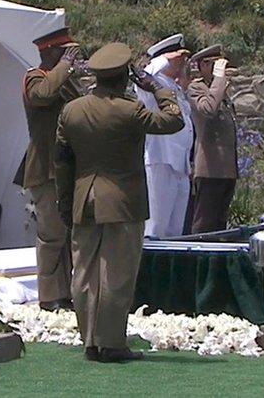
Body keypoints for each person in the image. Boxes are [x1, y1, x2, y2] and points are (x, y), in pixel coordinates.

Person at [56, 42, 185, 363]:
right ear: (125, 77)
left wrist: (65, 200)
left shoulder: (71, 110)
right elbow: (174, 120)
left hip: (84, 198)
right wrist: (156, 88)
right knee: (117, 273)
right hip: (123, 201)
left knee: (83, 273)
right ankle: (111, 342)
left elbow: (62, 161)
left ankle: (89, 340)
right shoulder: (130, 110)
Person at [19, 27, 84, 311]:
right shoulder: (36, 77)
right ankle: (48, 295)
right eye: (64, 52)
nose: (69, 57)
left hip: (67, 168)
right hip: (45, 168)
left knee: (69, 234)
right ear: (50, 52)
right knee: (51, 234)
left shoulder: (64, 81)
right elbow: (43, 95)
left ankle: (65, 292)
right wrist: (65, 66)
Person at [137, 33, 194, 238]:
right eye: (179, 57)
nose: (183, 61)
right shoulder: (150, 83)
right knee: (157, 226)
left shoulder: (174, 87)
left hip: (180, 164)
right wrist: (164, 59)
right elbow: (143, 73)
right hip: (161, 160)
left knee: (175, 230)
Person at [186, 44, 239, 233]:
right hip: (209, 169)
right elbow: (207, 109)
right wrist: (218, 80)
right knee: (204, 226)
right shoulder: (196, 88)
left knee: (220, 227)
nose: (221, 70)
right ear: (203, 65)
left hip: (226, 170)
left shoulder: (219, 91)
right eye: (215, 65)